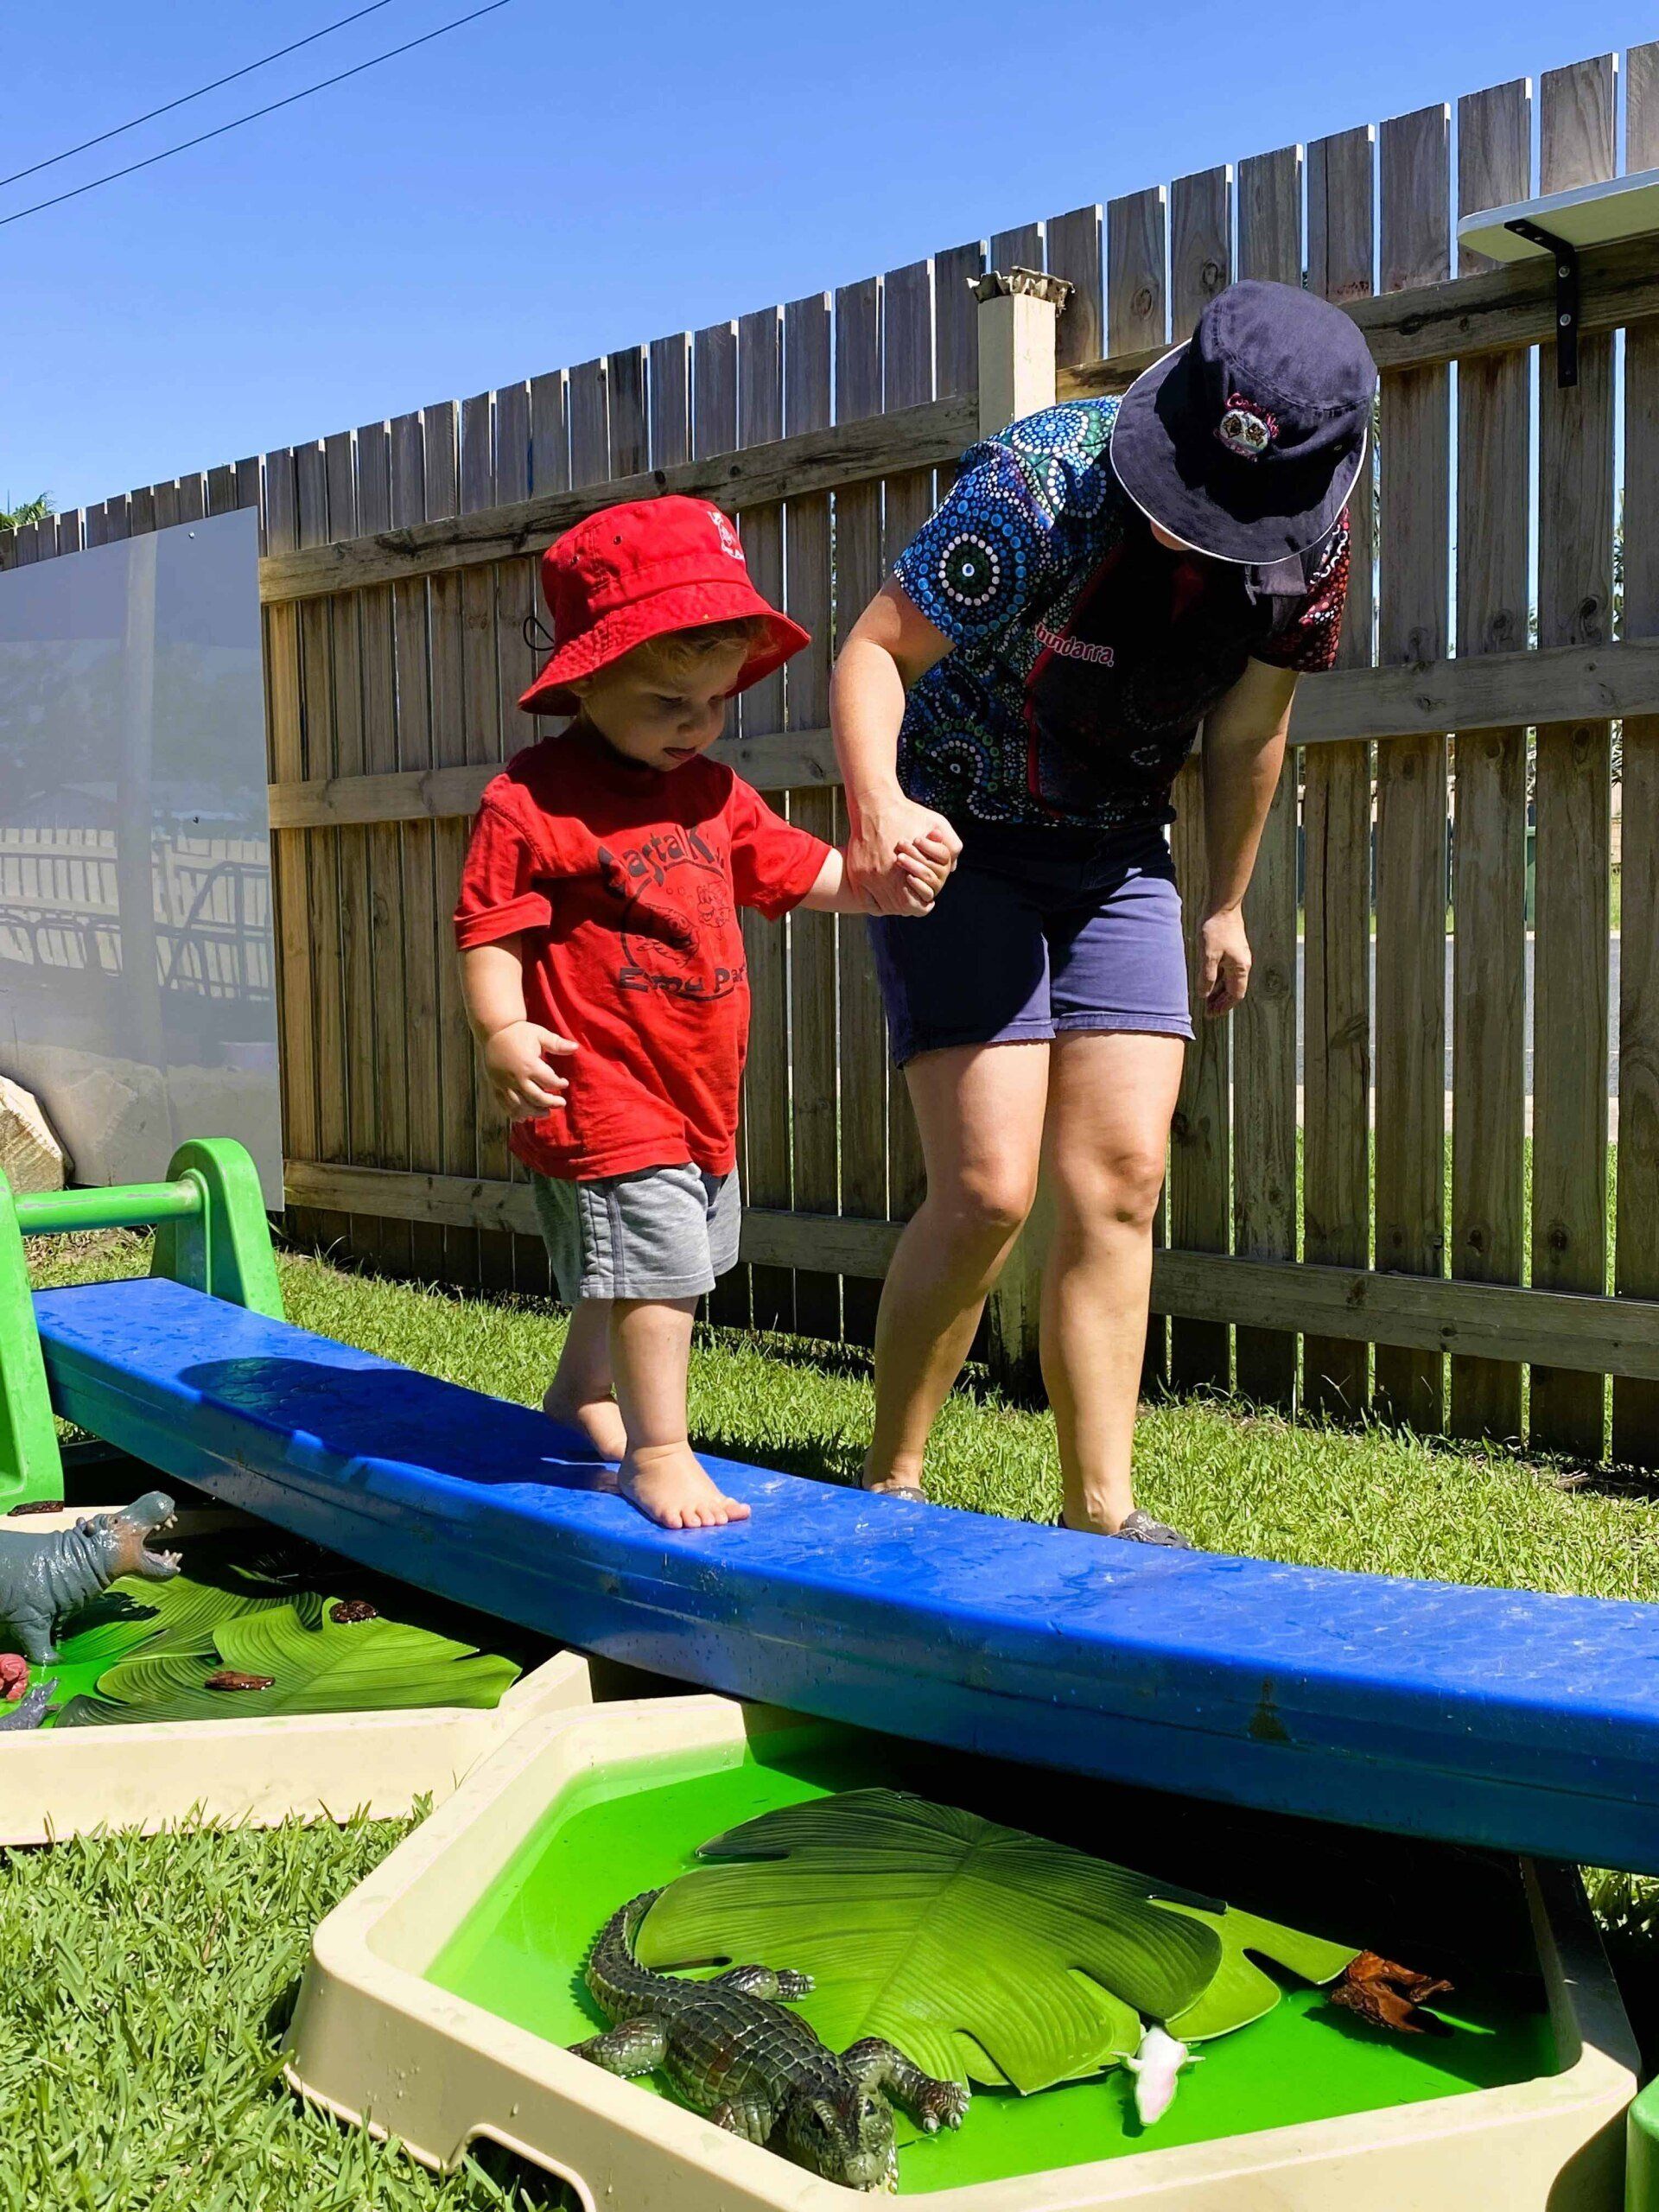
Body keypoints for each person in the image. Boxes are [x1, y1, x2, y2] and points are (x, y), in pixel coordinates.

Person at [830, 278, 1376, 1544]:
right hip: (959, 834)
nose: (1199, 535)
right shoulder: (1042, 483)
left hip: (1119, 852)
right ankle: (891, 1489)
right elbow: (874, 651)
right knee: (988, 1188)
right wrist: (878, 807)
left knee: (1122, 1175)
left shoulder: (1315, 542)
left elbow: (1249, 729)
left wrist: (1225, 902)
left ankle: (1103, 1514)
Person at [454, 497, 950, 1532]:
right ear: (586, 680)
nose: (696, 723)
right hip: (601, 1084)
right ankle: (659, 1451)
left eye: (716, 700)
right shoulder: (533, 799)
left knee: (648, 1263)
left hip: (697, 1089)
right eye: (668, 701)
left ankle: (580, 1392)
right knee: (660, 1274)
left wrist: (882, 882)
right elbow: (491, 927)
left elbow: (801, 871)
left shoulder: (716, 795)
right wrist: (501, 1029)